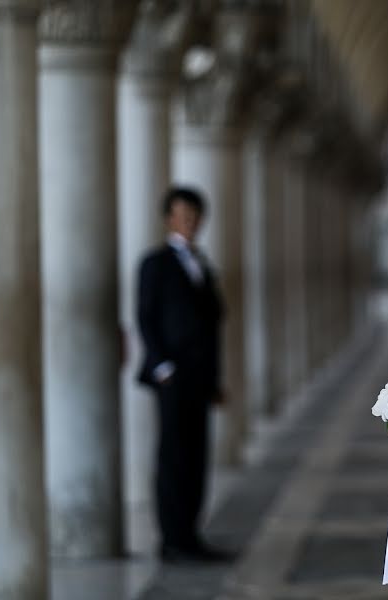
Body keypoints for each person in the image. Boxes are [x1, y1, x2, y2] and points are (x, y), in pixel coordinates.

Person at [136, 186, 234, 563]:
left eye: (195, 216)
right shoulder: (155, 263)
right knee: (173, 457)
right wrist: (163, 367)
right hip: (173, 378)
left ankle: (190, 535)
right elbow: (145, 317)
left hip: (198, 378)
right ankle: (172, 539)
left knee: (196, 456)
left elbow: (212, 324)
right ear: (169, 219)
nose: (190, 222)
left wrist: (213, 380)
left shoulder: (201, 263)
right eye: (182, 215)